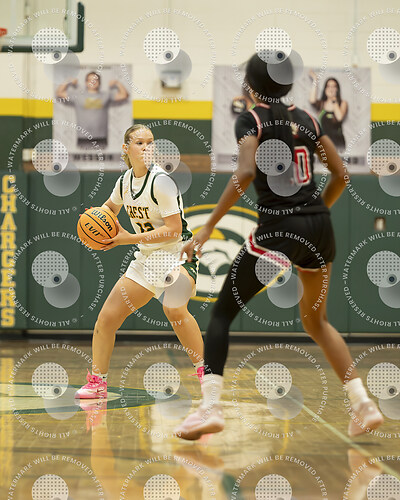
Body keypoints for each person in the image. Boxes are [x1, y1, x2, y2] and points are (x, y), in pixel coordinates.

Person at [175, 53, 383, 440]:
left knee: (221, 315)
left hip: (279, 230)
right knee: (317, 322)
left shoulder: (251, 119)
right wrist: (316, 212)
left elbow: (245, 172)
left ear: (251, 86)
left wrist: (209, 226)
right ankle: (363, 404)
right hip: (320, 228)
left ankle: (209, 408)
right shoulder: (307, 119)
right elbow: (341, 174)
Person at [75, 124, 204, 399]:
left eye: (150, 142)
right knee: (106, 319)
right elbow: (109, 209)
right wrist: (93, 220)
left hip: (176, 256)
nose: (147, 147)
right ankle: (97, 382)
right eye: (140, 143)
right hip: (146, 259)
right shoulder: (124, 182)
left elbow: (174, 230)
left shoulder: (161, 182)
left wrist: (127, 238)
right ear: (126, 148)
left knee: (174, 309)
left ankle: (207, 372)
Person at [56, 72, 129, 149]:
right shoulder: (78, 95)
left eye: (95, 80)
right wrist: (68, 81)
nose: (92, 82)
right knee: (82, 156)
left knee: (101, 157)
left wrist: (117, 83)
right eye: (90, 80)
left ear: (99, 82)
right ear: (86, 82)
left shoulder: (106, 95)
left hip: (101, 137)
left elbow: (124, 95)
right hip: (83, 137)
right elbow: (59, 93)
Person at [309, 71, 348, 151]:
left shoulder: (342, 103)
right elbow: (312, 100)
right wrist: (315, 80)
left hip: (338, 144)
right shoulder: (322, 104)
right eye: (328, 86)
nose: (331, 89)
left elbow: (339, 117)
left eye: (333, 87)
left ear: (337, 89)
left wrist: (334, 99)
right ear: (325, 89)